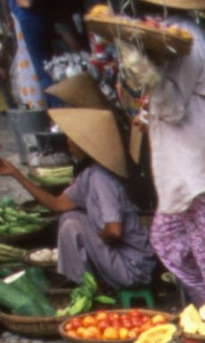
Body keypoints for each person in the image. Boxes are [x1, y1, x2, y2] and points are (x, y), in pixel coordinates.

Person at [95, 0, 205, 310]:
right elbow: (164, 104)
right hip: (179, 164)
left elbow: (174, 107)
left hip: (194, 162)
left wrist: (149, 77)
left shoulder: (186, 41)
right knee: (168, 242)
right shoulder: (162, 37)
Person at [0, 105, 154, 290]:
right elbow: (57, 205)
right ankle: (82, 279)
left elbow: (114, 230)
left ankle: (82, 285)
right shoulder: (88, 175)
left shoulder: (101, 178)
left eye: (71, 139)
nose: (67, 142)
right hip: (118, 257)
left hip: (132, 267)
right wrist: (16, 174)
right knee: (68, 217)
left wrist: (94, 238)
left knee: (72, 225)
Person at [3, 0, 49, 107]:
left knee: (42, 67)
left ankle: (55, 113)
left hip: (26, 13)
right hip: (23, 12)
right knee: (41, 65)